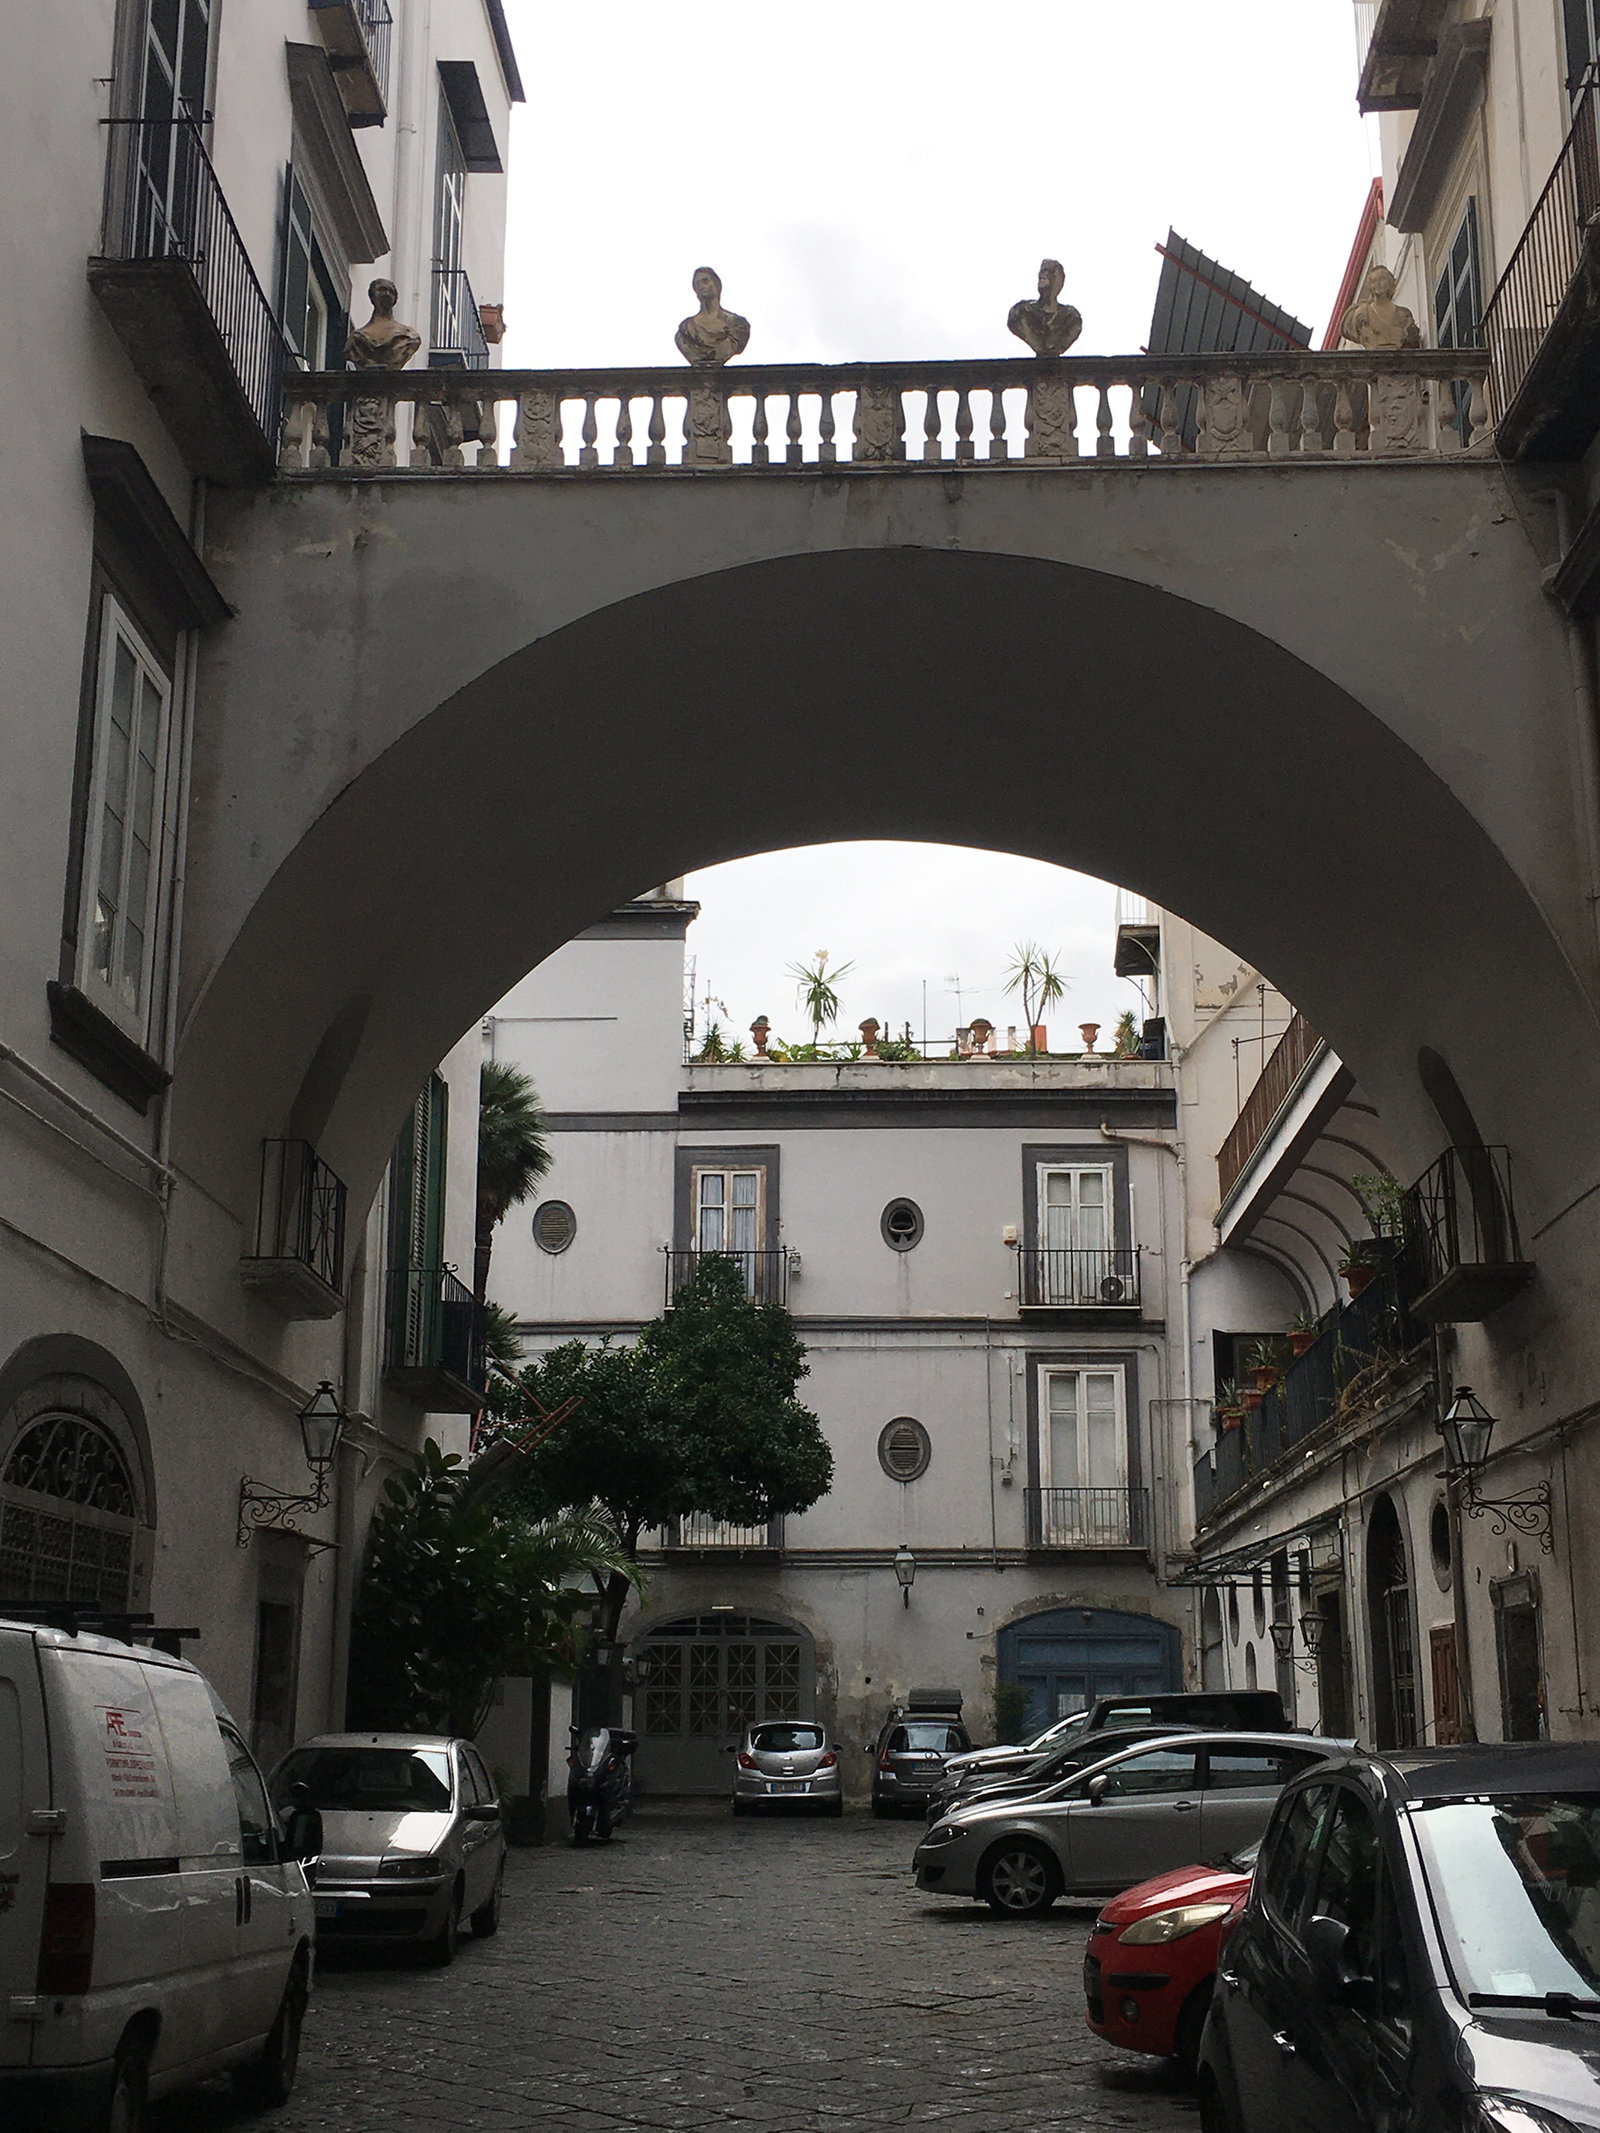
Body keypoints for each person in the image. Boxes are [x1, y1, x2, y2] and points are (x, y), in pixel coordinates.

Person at [675, 266, 750, 367]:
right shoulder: (686, 330)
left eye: (705, 281)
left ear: (716, 285)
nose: (701, 287)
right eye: (697, 284)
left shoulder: (737, 324)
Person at [1008, 258, 1083, 357]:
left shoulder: (1070, 317)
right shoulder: (1021, 311)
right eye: (1042, 271)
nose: (1043, 275)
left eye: (1049, 272)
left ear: (1059, 280)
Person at [1339, 264, 1422, 352]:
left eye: (1382, 279)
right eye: (1374, 280)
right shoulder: (1363, 312)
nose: (1378, 283)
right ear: (1370, 285)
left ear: (1390, 283)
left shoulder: (1403, 314)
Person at [345, 279, 421, 370]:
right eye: (381, 290)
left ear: (395, 299)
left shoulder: (410, 337)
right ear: (372, 296)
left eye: (391, 291)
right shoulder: (356, 339)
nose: (387, 294)